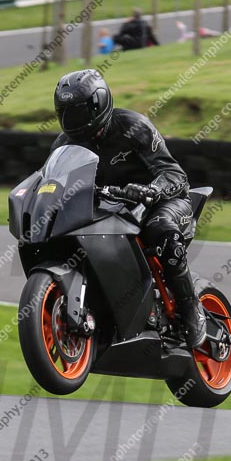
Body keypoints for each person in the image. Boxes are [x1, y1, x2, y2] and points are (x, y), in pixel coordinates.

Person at [51, 68, 206, 348]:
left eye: (81, 112)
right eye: (68, 113)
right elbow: (53, 184)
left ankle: (191, 310)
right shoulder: (64, 145)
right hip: (112, 209)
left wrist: (151, 190)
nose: (75, 121)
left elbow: (175, 174)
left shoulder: (133, 126)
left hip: (163, 202)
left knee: (162, 232)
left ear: (100, 104)